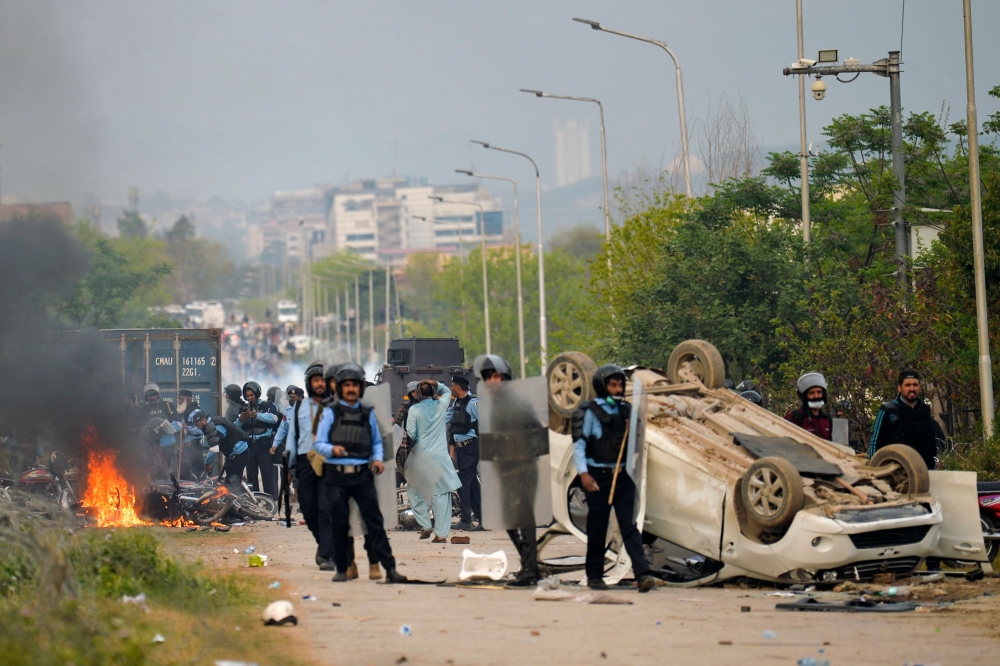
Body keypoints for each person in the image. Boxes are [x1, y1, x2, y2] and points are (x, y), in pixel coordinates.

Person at [313, 363, 407, 583]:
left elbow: (376, 441)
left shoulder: (367, 413)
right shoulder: (329, 412)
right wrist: (332, 450)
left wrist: (377, 458)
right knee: (340, 523)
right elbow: (319, 443)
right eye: (347, 385)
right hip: (337, 475)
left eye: (355, 385)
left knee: (375, 523)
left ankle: (390, 569)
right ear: (341, 388)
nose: (351, 389)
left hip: (363, 475)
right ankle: (343, 568)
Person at [573, 364, 657, 593]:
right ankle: (594, 576)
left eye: (620, 384)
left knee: (628, 526)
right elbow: (580, 446)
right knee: (598, 527)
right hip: (597, 477)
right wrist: (584, 474)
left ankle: (642, 574)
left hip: (622, 476)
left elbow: (635, 445)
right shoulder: (589, 411)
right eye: (613, 384)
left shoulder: (627, 411)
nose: (618, 388)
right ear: (602, 386)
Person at [474, 354, 541, 587]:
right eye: (488, 378)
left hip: (524, 469)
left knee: (524, 519)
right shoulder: (492, 406)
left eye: (496, 376)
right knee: (509, 519)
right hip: (505, 471)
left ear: (505, 377)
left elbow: (536, 432)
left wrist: (524, 454)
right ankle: (529, 563)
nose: (492, 381)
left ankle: (530, 568)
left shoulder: (517, 402)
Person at [272, 362, 333, 570]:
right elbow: (292, 438)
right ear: (309, 383)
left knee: (326, 508)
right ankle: (323, 544)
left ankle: (326, 553)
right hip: (305, 462)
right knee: (308, 509)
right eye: (315, 380)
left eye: (323, 380)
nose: (319, 383)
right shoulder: (298, 409)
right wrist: (287, 468)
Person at [406, 379, 462, 543]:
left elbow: (411, 433)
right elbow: (447, 392)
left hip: (421, 455)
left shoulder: (414, 410)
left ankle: (425, 523)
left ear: (418, 394)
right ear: (433, 393)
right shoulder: (441, 405)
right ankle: (441, 534)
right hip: (441, 456)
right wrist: (436, 383)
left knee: (414, 490)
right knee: (441, 494)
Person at [868, 370, 945, 471]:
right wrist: (874, 470)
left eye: (915, 385)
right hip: (895, 471)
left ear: (919, 388)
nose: (912, 388)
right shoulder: (888, 410)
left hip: (923, 471)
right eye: (908, 385)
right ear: (899, 388)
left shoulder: (924, 410)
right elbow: (875, 442)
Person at [447, 375, 482, 531]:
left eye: (452, 386)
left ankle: (466, 519)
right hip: (461, 450)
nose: (450, 389)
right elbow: (446, 419)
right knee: (472, 484)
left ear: (458, 387)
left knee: (461, 483)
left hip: (471, 447)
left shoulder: (474, 403)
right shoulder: (456, 403)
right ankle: (483, 519)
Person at [238, 381, 280, 498]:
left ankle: (270, 499)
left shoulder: (268, 405)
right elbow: (236, 427)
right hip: (249, 445)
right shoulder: (243, 408)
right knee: (251, 475)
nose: (250, 398)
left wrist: (257, 415)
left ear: (257, 393)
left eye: (252, 395)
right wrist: (241, 419)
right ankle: (254, 499)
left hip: (264, 445)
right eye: (247, 396)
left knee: (267, 474)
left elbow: (274, 418)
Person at [192, 410, 250, 486]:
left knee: (233, 484)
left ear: (203, 420)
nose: (198, 428)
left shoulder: (215, 426)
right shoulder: (214, 423)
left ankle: (240, 496)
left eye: (197, 425)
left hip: (239, 453)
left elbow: (214, 449)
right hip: (234, 454)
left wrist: (207, 464)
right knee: (228, 482)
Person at [785, 372, 833, 441]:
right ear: (804, 396)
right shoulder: (795, 417)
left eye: (819, 392)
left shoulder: (827, 419)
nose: (816, 396)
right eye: (811, 393)